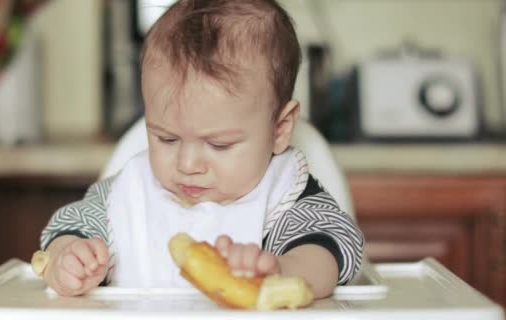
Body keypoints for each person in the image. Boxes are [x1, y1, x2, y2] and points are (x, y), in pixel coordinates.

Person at [37, 0, 364, 300]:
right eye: (167, 139)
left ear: (280, 130)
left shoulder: (284, 200)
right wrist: (67, 258)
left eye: (219, 145)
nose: (188, 164)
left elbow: (336, 248)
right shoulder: (128, 194)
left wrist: (282, 272)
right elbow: (68, 226)